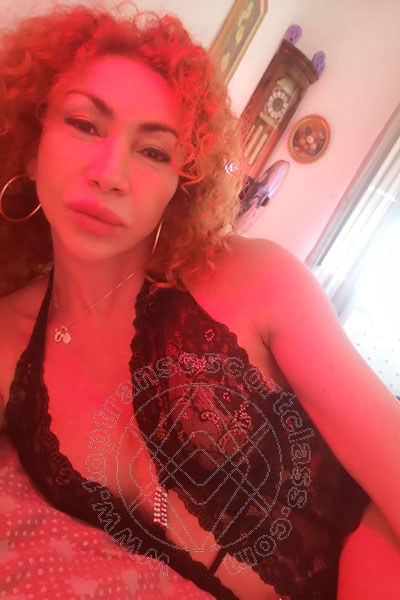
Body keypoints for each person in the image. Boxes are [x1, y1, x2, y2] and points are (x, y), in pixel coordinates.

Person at [0, 4, 399, 600]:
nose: (110, 173)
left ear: (180, 186)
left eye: (154, 152)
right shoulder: (9, 343)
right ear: (31, 147)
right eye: (85, 124)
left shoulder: (257, 280)